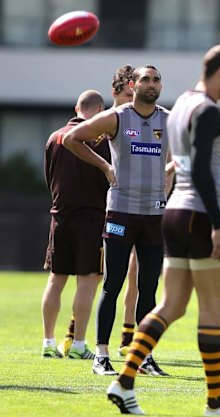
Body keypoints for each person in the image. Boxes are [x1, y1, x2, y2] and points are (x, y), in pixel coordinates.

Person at [106, 45, 220, 417]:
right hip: (199, 216)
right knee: (212, 307)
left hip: (174, 212)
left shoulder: (178, 108)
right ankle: (217, 402)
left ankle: (124, 381)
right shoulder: (208, 111)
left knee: (171, 305)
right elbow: (203, 173)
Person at [62, 65, 171, 377]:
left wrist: (172, 179)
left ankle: (144, 356)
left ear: (160, 86)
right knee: (112, 284)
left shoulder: (170, 119)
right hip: (121, 212)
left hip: (154, 214)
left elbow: (186, 154)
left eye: (156, 79)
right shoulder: (118, 117)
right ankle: (101, 355)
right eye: (145, 79)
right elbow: (73, 138)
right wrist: (105, 167)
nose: (151, 84)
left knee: (149, 288)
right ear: (133, 84)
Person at [56, 65, 139, 359]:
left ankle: (127, 336)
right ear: (116, 93)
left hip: (139, 209)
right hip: (104, 212)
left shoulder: (142, 121)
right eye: (130, 93)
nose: (135, 98)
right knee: (99, 277)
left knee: (134, 273)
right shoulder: (103, 127)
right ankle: (75, 336)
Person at [42, 90, 107, 360]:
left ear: (76, 108)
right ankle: (79, 344)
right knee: (87, 281)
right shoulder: (99, 139)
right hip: (90, 218)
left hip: (60, 215)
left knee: (56, 280)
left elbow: (49, 176)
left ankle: (47, 342)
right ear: (100, 109)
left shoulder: (53, 137)